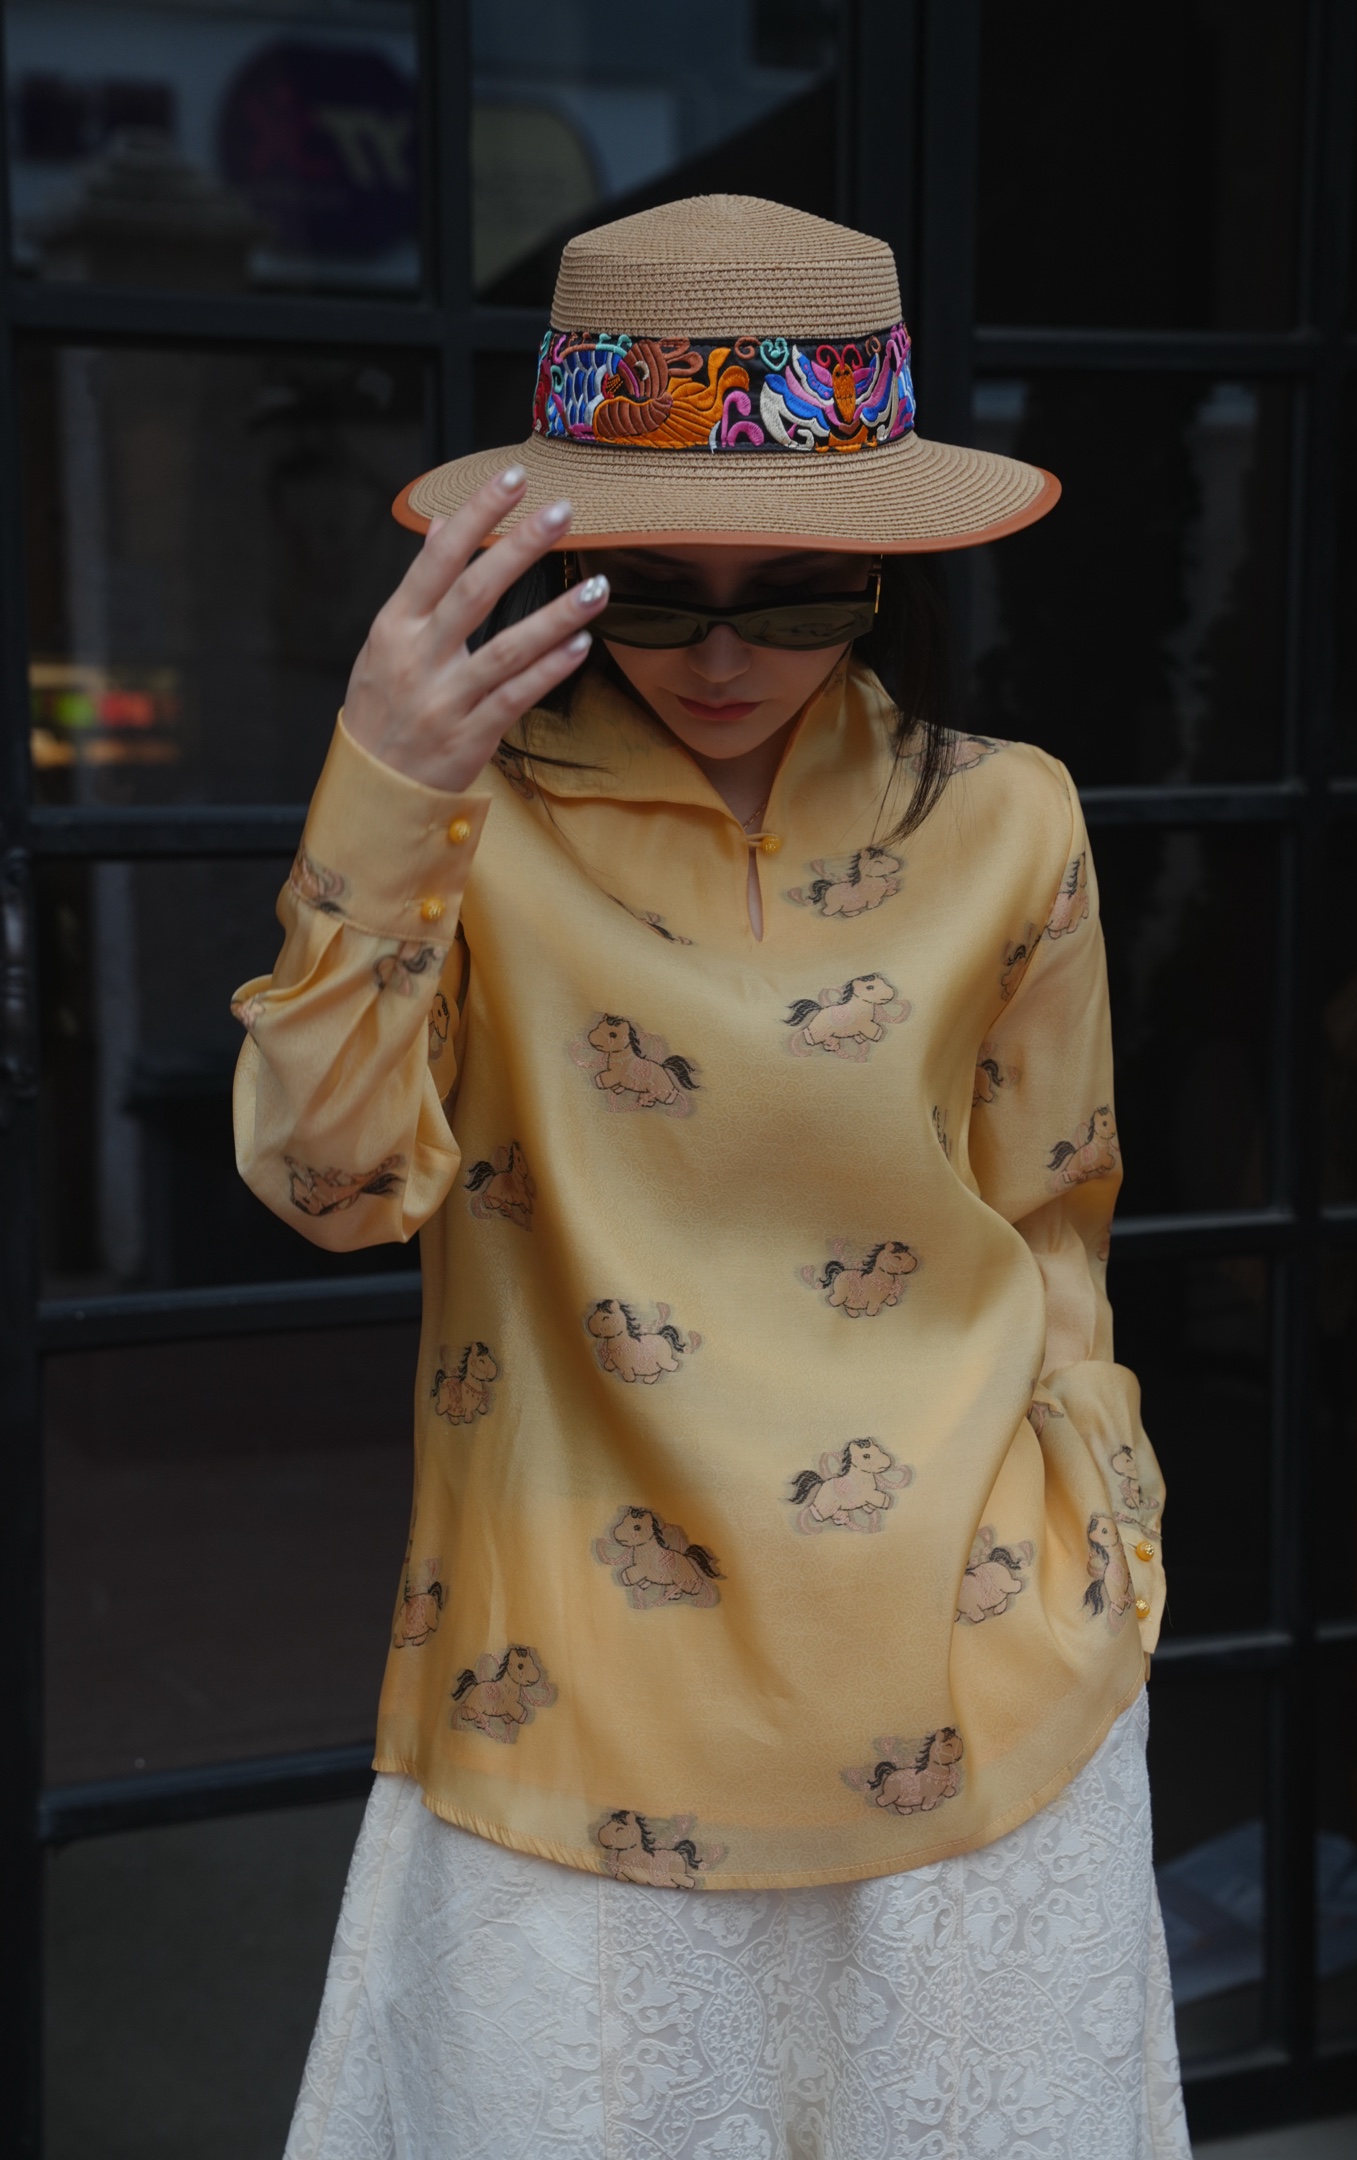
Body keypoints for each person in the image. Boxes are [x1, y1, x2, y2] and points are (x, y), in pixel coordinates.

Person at [233, 194, 1190, 2160]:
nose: (727, 655)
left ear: (885, 571)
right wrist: (381, 787)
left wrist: (1106, 1524)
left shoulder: (1012, 821)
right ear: (565, 572)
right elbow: (332, 1186)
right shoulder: (470, 831)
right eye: (655, 597)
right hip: (573, 1699)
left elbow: (1053, 1214)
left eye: (801, 592)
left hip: (977, 1674)